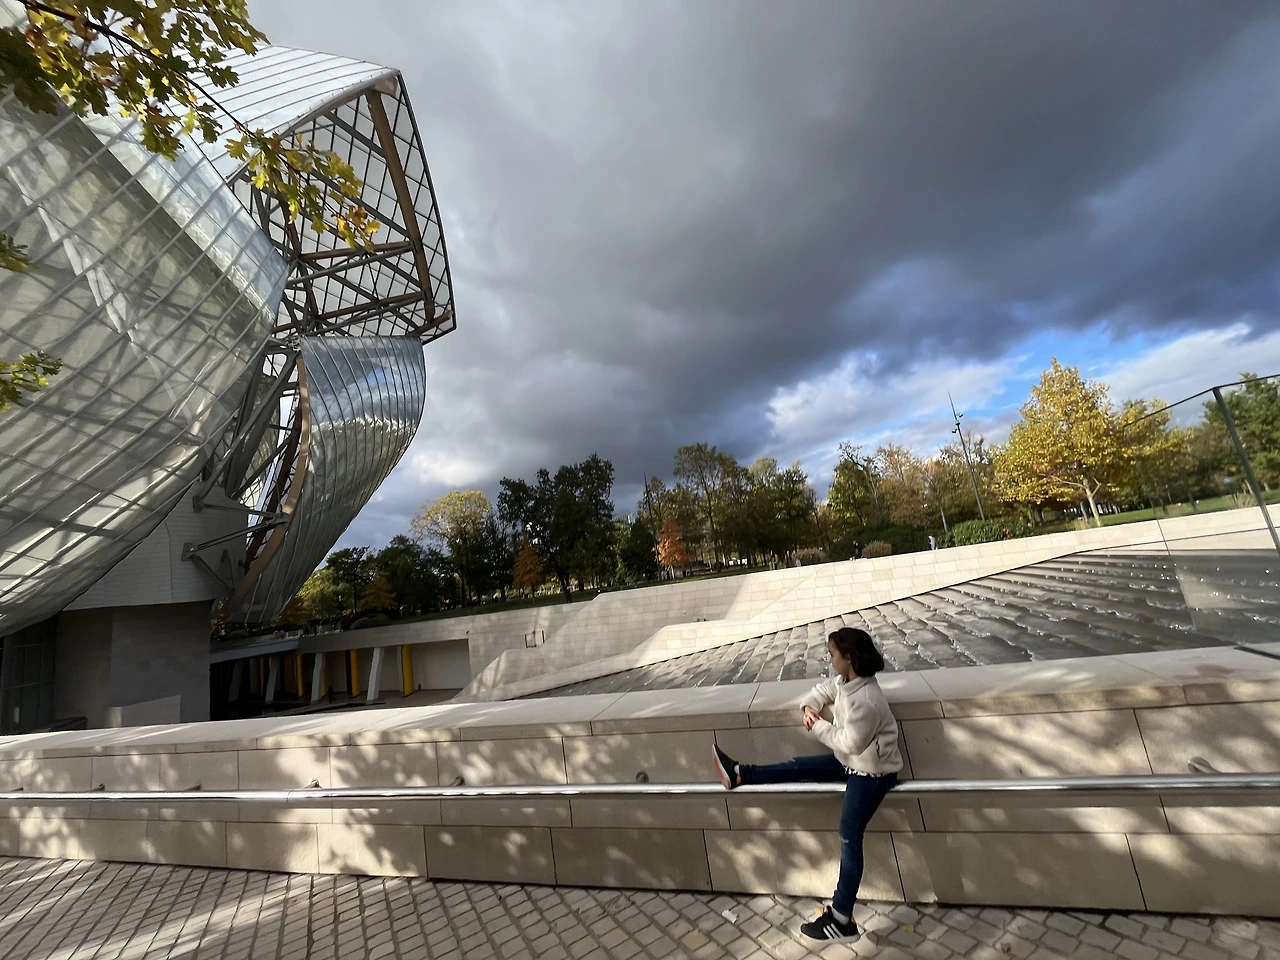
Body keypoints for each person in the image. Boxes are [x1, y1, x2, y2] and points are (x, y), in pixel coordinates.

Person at [711, 627, 903, 943]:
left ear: (849, 658)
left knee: (849, 834)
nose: (829, 660)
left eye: (832, 654)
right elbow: (826, 689)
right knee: (798, 766)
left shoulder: (868, 700)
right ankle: (739, 773)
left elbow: (850, 742)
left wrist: (817, 725)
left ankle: (841, 919)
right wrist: (810, 705)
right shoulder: (847, 682)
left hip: (873, 773)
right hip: (853, 762)